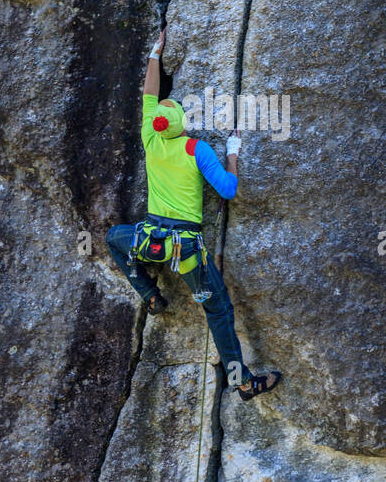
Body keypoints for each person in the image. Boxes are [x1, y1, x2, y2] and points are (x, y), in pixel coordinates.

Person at [105, 29, 281, 401]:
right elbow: (228, 190)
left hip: (149, 241)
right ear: (181, 122)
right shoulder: (196, 148)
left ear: (156, 124)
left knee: (112, 238)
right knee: (218, 312)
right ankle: (243, 382)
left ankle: (149, 295)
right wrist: (232, 153)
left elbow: (148, 96)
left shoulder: (151, 140)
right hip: (186, 252)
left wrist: (155, 53)